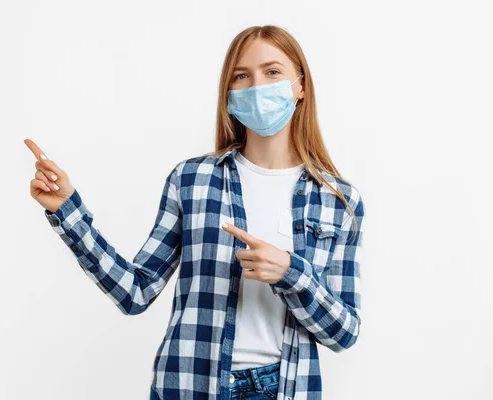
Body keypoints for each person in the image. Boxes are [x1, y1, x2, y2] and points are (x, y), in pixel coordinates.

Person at [25, 25, 365, 400]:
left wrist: (290, 272)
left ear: (300, 86)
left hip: (282, 390)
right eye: (241, 76)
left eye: (272, 72)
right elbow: (135, 292)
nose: (257, 86)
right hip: (188, 385)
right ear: (229, 94)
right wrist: (68, 211)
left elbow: (344, 332)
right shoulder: (192, 180)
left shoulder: (338, 200)